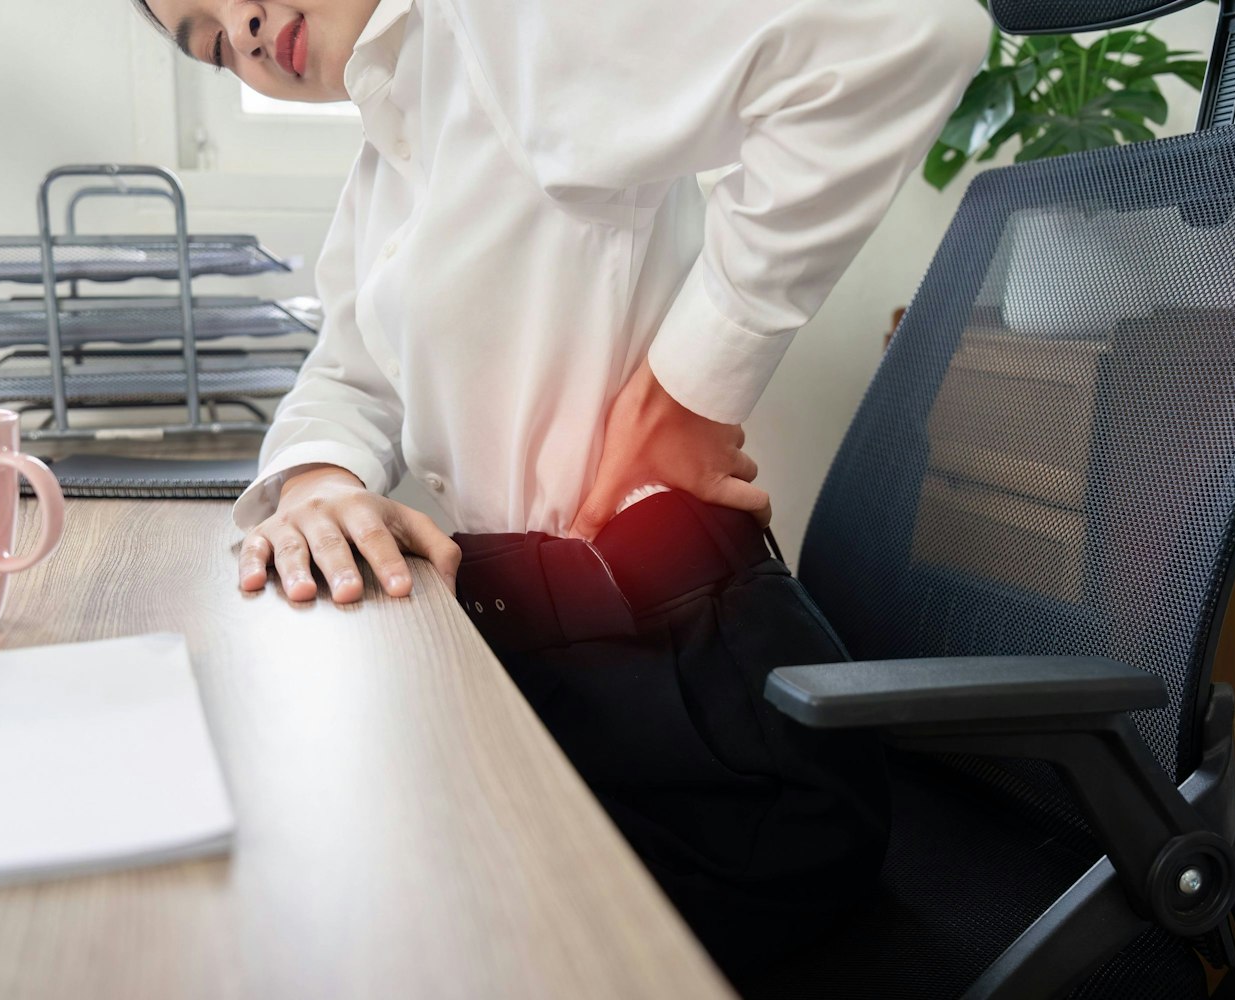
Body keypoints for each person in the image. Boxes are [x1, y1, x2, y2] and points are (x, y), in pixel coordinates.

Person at [134, 0, 987, 976]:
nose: (241, 27)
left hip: (703, 724)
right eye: (211, 44)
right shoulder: (387, 162)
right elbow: (350, 372)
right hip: (553, 665)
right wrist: (319, 484)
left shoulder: (510, 24)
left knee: (372, 925)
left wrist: (691, 384)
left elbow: (911, 33)